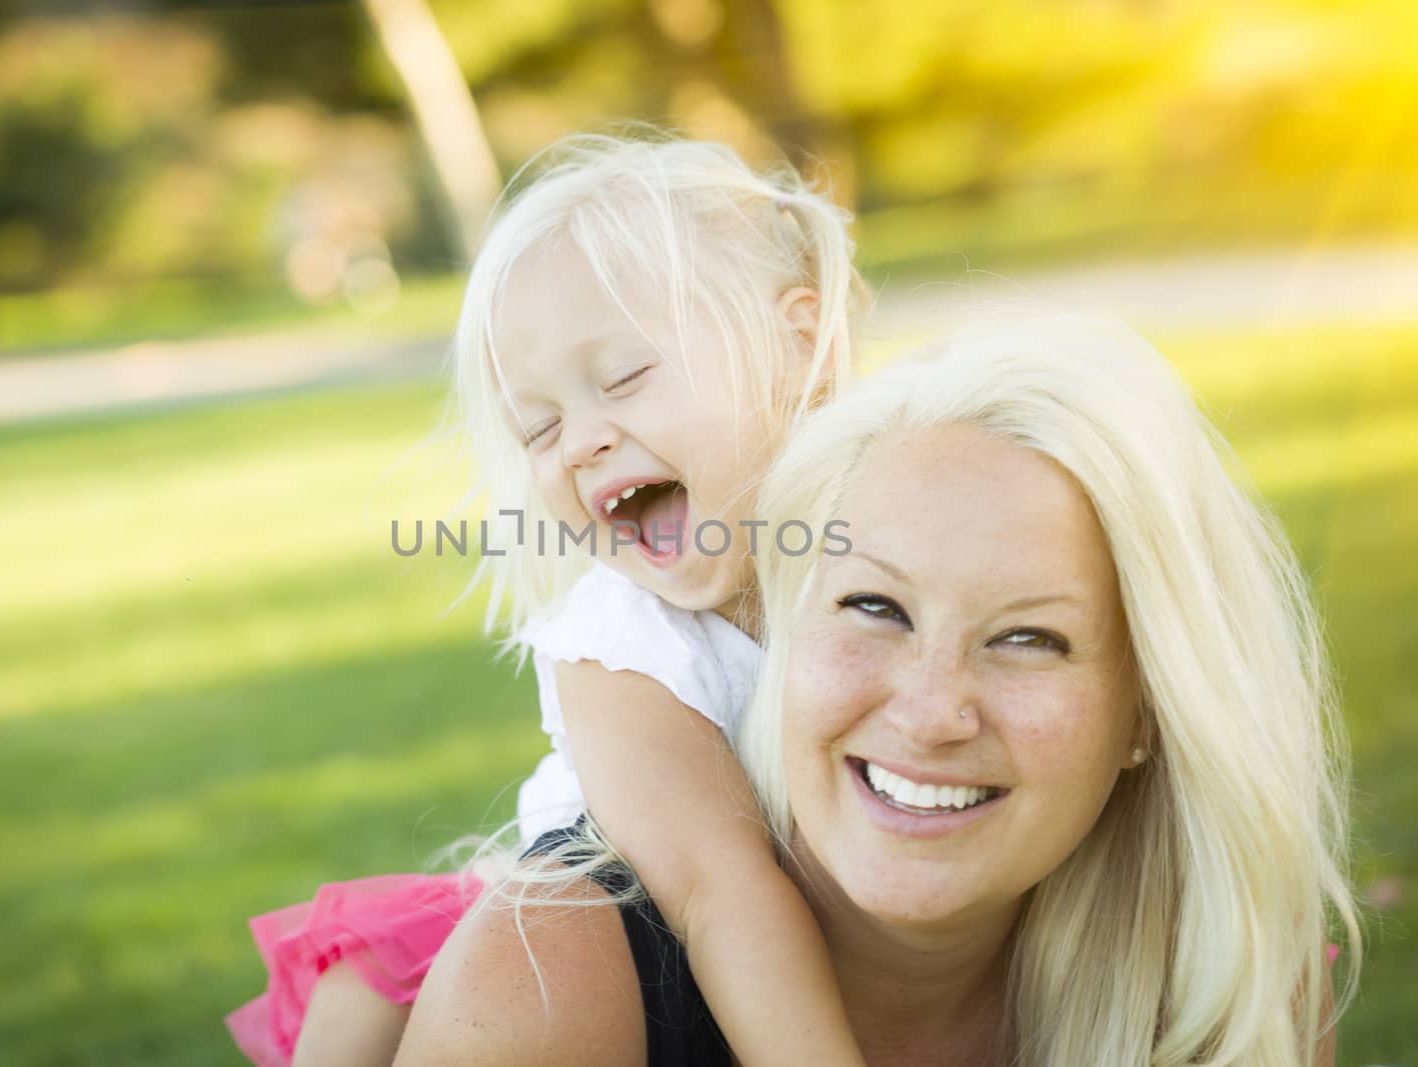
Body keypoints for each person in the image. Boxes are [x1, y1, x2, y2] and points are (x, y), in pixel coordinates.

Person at [396, 316, 1362, 1066]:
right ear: (780, 625)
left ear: (1146, 710)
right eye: (875, 607)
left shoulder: (1221, 980)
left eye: (1030, 637)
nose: (931, 710)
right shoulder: (550, 982)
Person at [226, 132, 872, 1067]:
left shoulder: (892, 551)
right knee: (361, 1004)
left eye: (625, 378)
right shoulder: (624, 639)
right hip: (586, 936)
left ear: (798, 336)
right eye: (539, 424)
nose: (580, 443)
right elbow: (715, 888)